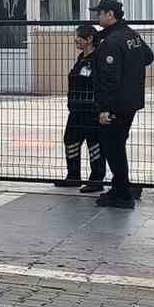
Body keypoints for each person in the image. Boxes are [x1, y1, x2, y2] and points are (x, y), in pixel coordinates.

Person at [91, 0, 154, 209]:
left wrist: (104, 109)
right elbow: (148, 57)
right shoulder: (131, 35)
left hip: (116, 104)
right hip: (131, 100)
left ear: (110, 15)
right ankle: (119, 188)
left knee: (113, 148)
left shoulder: (112, 42)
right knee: (117, 145)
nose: (97, 16)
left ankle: (123, 195)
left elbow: (110, 80)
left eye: (99, 13)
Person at [55, 23, 107, 193]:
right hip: (76, 110)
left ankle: (96, 180)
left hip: (92, 110)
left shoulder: (98, 59)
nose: (75, 40)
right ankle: (73, 176)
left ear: (89, 39)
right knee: (70, 140)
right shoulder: (81, 58)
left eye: (79, 36)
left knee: (94, 144)